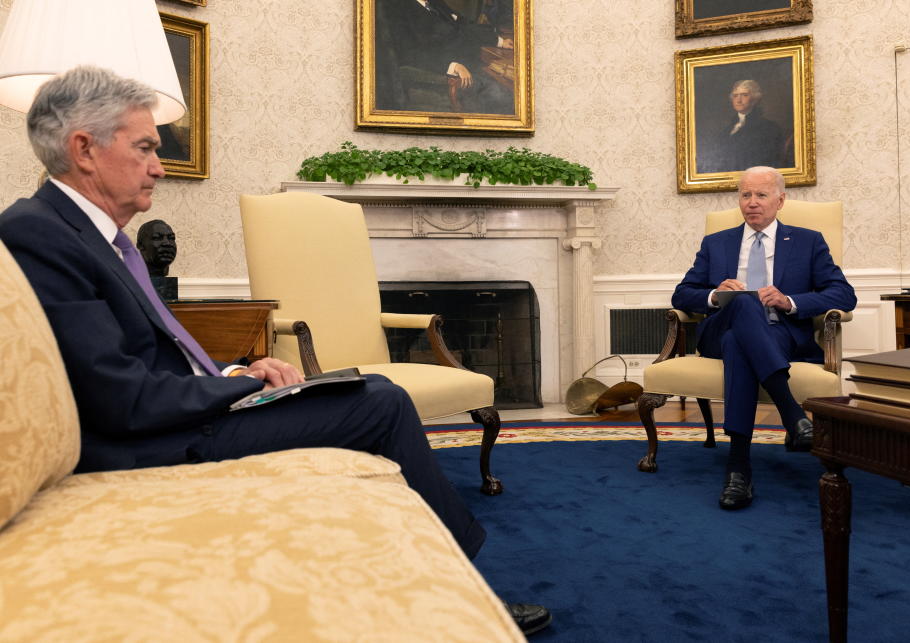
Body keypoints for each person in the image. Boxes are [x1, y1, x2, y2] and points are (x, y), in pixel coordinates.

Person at [0, 66, 550, 636]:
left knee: (368, 388)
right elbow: (120, 395)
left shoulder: (90, 236)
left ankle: (450, 577)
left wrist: (236, 367)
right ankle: (466, 593)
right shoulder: (39, 233)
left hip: (180, 415)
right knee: (379, 402)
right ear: (84, 149)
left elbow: (152, 355)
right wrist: (242, 387)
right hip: (154, 440)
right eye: (144, 148)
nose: (158, 167)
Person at [671, 166, 856, 510]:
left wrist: (790, 302)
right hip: (717, 330)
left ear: (780, 200)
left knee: (738, 344)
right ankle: (791, 413)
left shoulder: (807, 241)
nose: (752, 203)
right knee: (741, 304)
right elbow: (682, 295)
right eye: (745, 195)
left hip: (779, 333)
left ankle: (738, 467)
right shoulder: (717, 243)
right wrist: (714, 293)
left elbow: (844, 295)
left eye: (761, 195)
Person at [376, 0, 514, 114]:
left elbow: (464, 25)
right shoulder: (396, 8)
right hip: (444, 74)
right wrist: (451, 65)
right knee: (503, 95)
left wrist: (499, 41)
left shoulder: (434, 3)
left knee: (509, 84)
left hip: (471, 63)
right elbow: (409, 52)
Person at [698, 80, 787, 173]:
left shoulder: (769, 128)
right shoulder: (727, 130)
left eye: (744, 95)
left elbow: (769, 162)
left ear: (755, 99)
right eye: (735, 95)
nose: (739, 100)